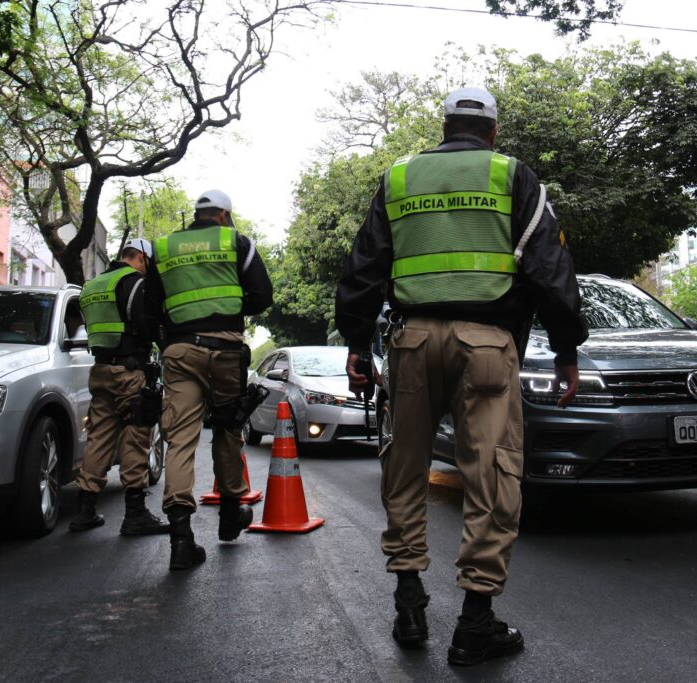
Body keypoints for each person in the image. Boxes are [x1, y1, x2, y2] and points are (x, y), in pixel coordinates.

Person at [334, 87, 589, 666]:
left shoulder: (399, 178)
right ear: (492, 132)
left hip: (412, 339)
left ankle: (408, 603)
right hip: (488, 345)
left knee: (405, 468)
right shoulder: (513, 176)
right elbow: (550, 269)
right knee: (494, 473)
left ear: (445, 126)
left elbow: (363, 266)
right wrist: (568, 348)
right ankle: (475, 623)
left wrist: (355, 343)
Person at [146, 189, 274, 570]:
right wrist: (231, 309)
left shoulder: (163, 247)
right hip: (226, 349)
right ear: (224, 215)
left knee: (180, 439)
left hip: (180, 351)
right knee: (228, 428)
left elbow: (152, 306)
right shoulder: (237, 242)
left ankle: (181, 538)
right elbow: (261, 295)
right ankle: (231, 515)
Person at [70, 238, 170, 536]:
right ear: (140, 257)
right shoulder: (134, 282)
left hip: (100, 370)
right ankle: (135, 513)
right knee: (137, 437)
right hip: (128, 371)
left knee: (99, 438)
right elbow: (144, 324)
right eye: (149, 262)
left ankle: (85, 510)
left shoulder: (93, 285)